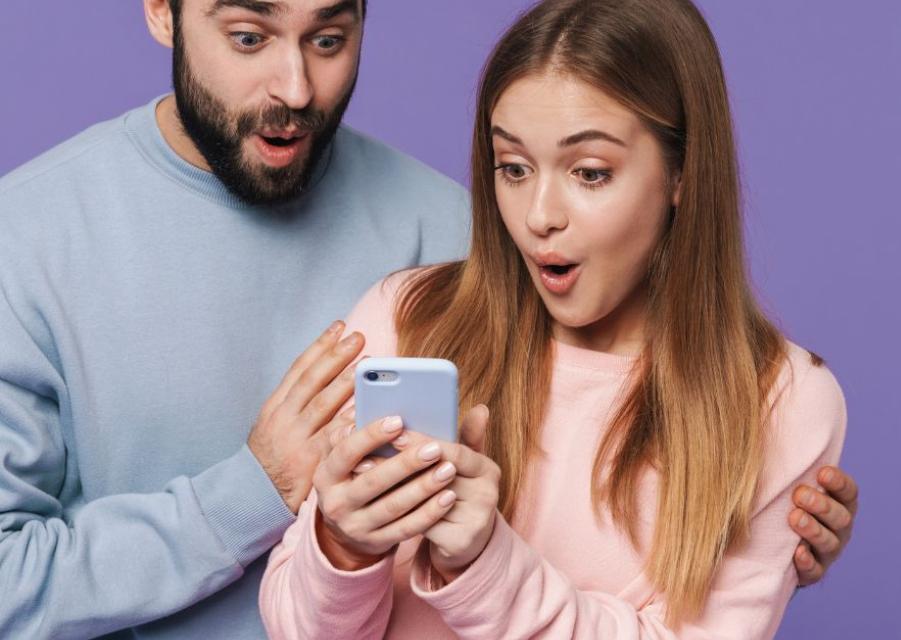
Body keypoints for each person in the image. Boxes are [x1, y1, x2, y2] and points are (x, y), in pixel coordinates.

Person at [0, 0, 855, 638]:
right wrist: (280, 506)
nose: (295, 88)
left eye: (329, 39)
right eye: (249, 36)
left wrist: (761, 526)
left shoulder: (455, 236)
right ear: (163, 10)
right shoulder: (29, 237)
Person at [258, 0, 853, 638]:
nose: (539, 214)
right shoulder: (406, 317)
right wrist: (344, 547)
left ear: (682, 171)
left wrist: (486, 565)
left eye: (590, 173)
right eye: (513, 168)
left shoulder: (778, 404)